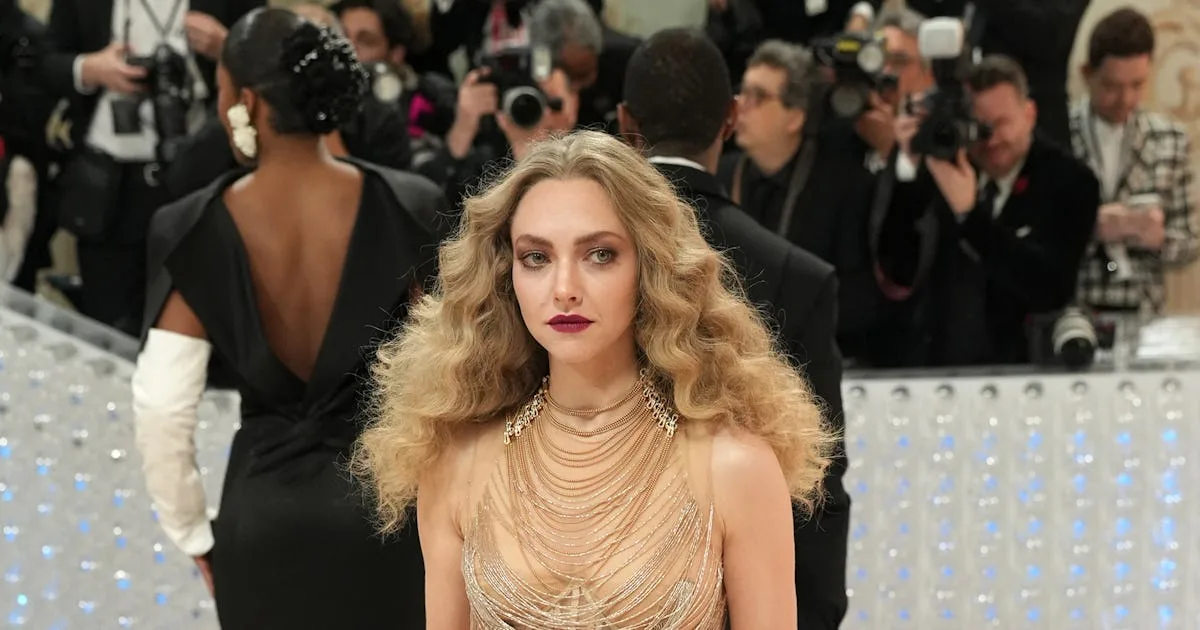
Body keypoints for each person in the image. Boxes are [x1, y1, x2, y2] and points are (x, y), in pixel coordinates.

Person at [354, 130, 834, 628]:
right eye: (536, 258)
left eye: (599, 254)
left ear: (649, 265)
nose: (565, 289)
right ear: (505, 274)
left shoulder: (735, 467)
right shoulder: (456, 464)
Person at [131, 9, 444, 628]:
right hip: (389, 520)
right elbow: (451, 376)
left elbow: (161, 407)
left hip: (260, 528)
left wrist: (192, 531)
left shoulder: (192, 228)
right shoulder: (408, 204)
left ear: (246, 101)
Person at [618, 27, 850, 629]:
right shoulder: (798, 276)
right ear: (730, 117)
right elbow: (816, 485)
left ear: (624, 122)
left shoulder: (560, 265)